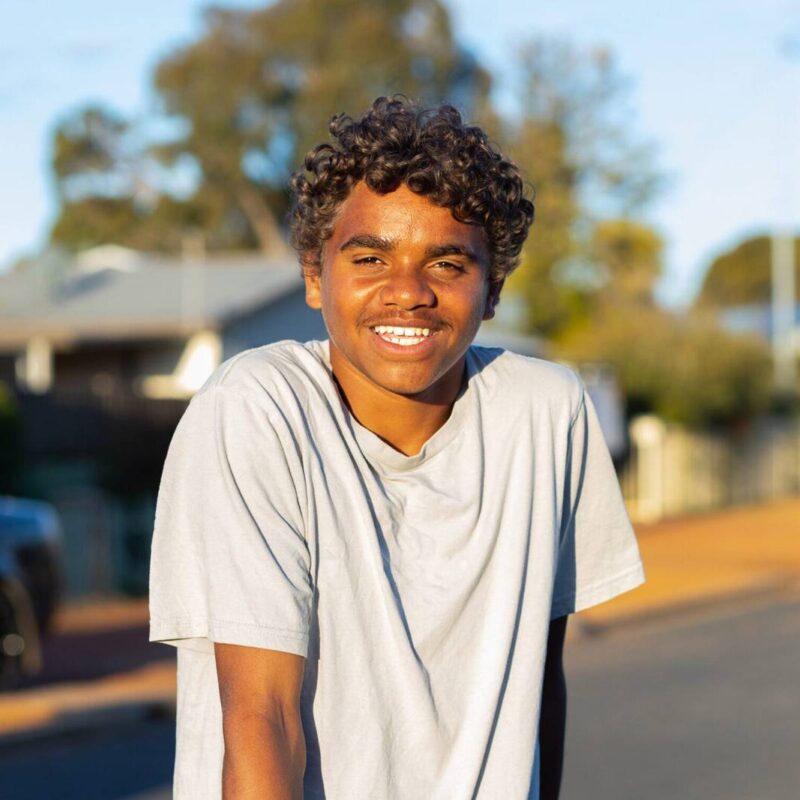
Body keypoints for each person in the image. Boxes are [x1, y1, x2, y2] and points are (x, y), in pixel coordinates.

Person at [148, 96, 645, 800]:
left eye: (447, 264)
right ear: (317, 279)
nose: (408, 292)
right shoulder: (256, 409)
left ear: (493, 288)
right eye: (370, 257)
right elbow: (263, 715)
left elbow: (537, 676)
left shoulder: (547, 410)